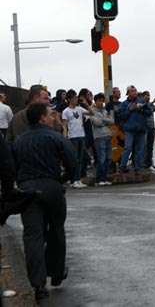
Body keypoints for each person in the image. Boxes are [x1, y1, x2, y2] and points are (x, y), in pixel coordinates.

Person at [11, 103, 77, 300]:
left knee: (33, 237)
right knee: (56, 229)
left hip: (27, 191)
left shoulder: (18, 142)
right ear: (42, 118)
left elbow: (11, 167)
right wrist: (63, 179)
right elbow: (72, 163)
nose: (53, 117)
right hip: (52, 188)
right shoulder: (55, 137)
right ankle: (56, 272)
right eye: (50, 114)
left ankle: (38, 285)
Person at [116, 85, 151, 176]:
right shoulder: (124, 104)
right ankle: (122, 166)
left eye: (135, 90)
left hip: (140, 128)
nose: (134, 92)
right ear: (128, 93)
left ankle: (138, 169)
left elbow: (149, 112)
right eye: (132, 91)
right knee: (127, 147)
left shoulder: (142, 101)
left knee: (139, 150)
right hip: (129, 129)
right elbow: (120, 116)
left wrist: (141, 110)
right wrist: (130, 110)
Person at [61, 89, 93, 188]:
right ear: (69, 99)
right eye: (74, 97)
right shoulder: (65, 111)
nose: (76, 99)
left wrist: (86, 104)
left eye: (76, 97)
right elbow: (64, 125)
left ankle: (78, 179)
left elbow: (91, 113)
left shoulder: (79, 109)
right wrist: (64, 136)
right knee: (75, 159)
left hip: (81, 135)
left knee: (81, 159)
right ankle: (73, 180)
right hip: (72, 137)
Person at [90, 93, 114, 186]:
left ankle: (104, 178)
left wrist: (102, 119)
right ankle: (99, 179)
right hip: (99, 137)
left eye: (102, 101)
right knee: (101, 159)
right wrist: (105, 121)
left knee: (108, 159)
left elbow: (112, 121)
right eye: (99, 101)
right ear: (95, 101)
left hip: (107, 135)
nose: (101, 102)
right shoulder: (92, 111)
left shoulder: (104, 111)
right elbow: (97, 123)